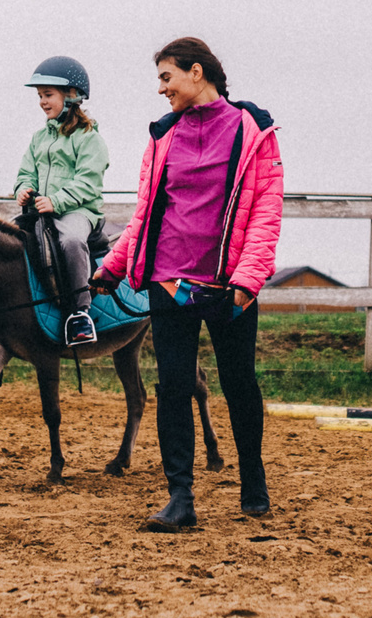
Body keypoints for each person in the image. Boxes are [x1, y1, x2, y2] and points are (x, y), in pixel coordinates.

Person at [92, 36, 280, 531]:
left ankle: (253, 478)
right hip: (168, 281)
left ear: (196, 72)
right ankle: (180, 497)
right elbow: (146, 214)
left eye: (166, 77)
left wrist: (248, 278)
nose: (161, 89)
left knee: (239, 382)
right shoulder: (163, 136)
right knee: (174, 386)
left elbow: (265, 211)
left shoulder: (253, 131)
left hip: (228, 284)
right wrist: (113, 266)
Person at [14, 54, 110, 347]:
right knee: (2, 240)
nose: (42, 102)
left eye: (48, 95)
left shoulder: (89, 138)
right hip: (41, 210)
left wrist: (56, 201)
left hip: (78, 212)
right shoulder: (38, 138)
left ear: (71, 96)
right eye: (40, 96)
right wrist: (23, 189)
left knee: (70, 241)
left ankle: (80, 313)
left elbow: (88, 182)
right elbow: (26, 172)